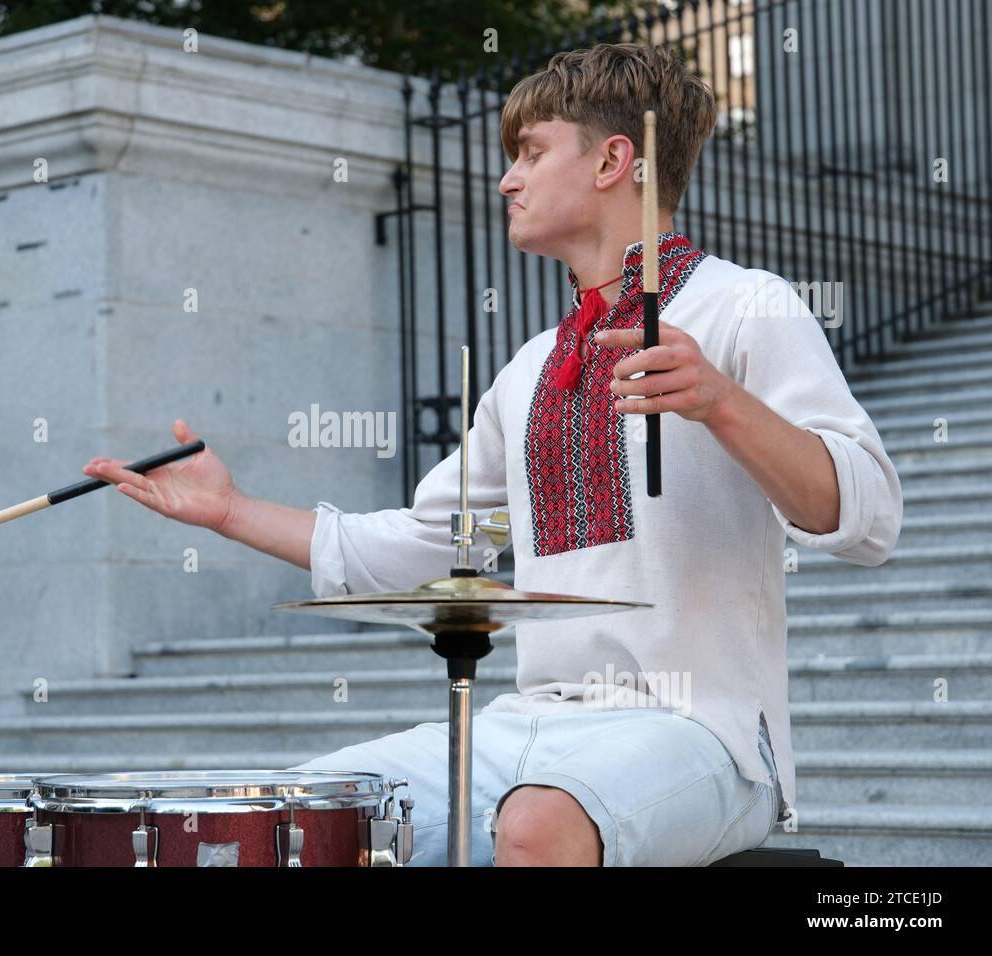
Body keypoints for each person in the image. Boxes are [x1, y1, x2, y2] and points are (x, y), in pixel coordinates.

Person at [83, 42, 903, 866]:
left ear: (614, 159)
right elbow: (422, 545)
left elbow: (866, 516)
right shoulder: (532, 366)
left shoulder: (745, 304)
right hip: (527, 728)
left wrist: (723, 403)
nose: (508, 180)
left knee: (539, 824)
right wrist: (227, 510)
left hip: (706, 733)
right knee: (283, 820)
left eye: (531, 152)